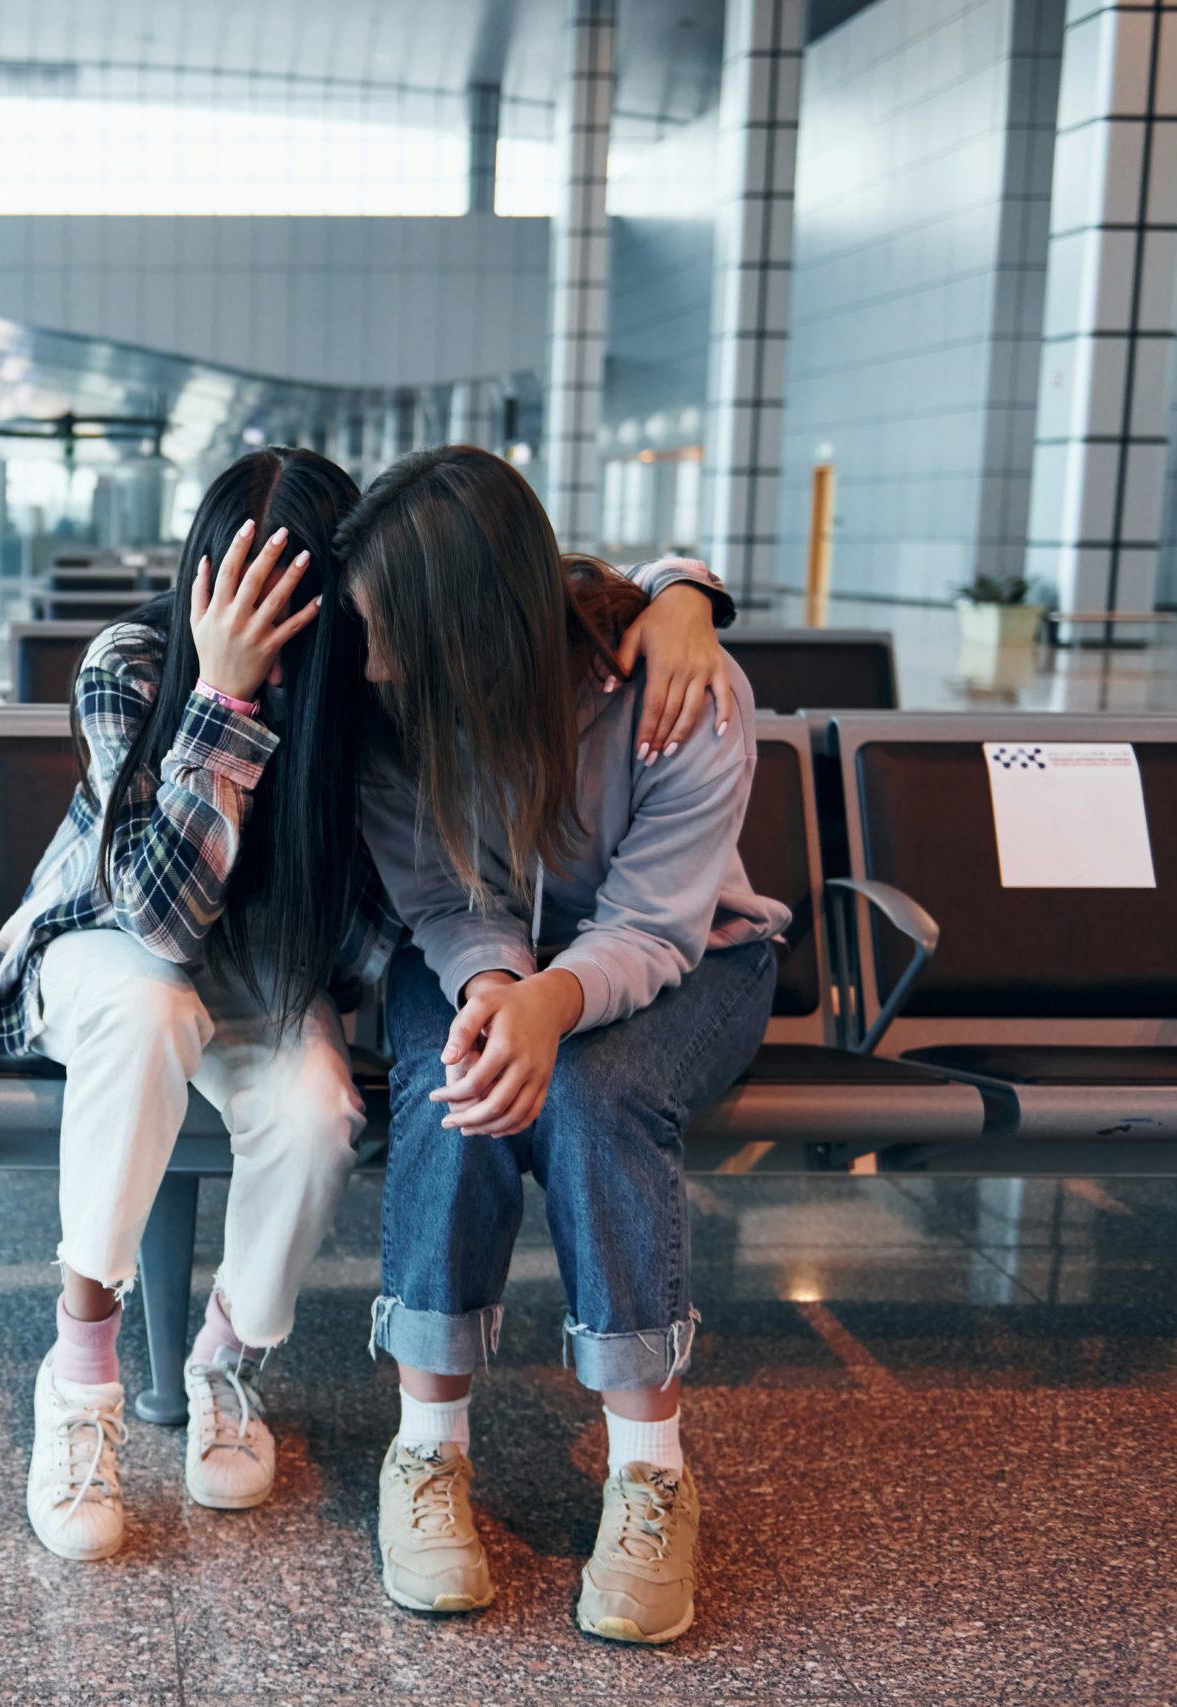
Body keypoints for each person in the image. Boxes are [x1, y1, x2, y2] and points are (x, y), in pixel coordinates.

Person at [0, 446, 736, 1564]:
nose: (300, 647)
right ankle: (79, 1376)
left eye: (307, 612)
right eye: (247, 602)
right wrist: (225, 696)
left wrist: (685, 593)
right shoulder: (131, 665)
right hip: (105, 945)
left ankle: (225, 1359)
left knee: (320, 1109)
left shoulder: (367, 683)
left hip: (267, 970)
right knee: (151, 1015)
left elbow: (511, 567)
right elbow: (158, 923)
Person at [340, 445, 787, 1644]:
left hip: (689, 956)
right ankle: (424, 1451)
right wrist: (502, 991)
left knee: (592, 1097)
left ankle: (650, 1471)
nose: (371, 662)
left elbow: (653, 925)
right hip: (476, 951)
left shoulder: (681, 688)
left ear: (471, 628)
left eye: (392, 634)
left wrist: (554, 1005)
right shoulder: (387, 715)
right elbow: (442, 899)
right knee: (461, 1079)